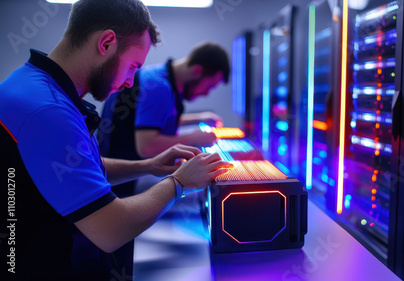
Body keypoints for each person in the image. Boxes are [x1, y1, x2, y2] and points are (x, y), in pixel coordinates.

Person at [0, 1, 231, 280]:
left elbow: (73, 167)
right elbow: (111, 230)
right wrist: (180, 183)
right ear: (106, 42)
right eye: (133, 66)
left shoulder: (33, 85)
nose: (130, 83)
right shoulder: (49, 111)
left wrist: (147, 165)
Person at [97, 42, 230, 198]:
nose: (206, 94)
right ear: (196, 71)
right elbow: (147, 146)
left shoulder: (159, 76)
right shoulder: (160, 88)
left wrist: (199, 118)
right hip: (116, 185)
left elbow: (155, 121)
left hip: (116, 173)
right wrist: (195, 138)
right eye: (209, 87)